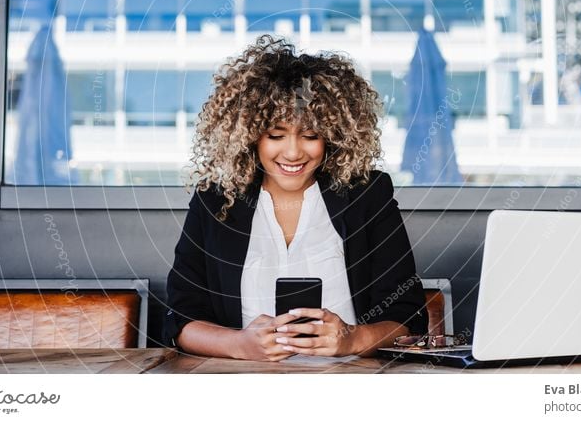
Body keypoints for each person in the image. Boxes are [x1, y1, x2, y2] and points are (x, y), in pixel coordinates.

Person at [165, 35, 427, 361]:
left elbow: (410, 317)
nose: (292, 152)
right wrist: (239, 345)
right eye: (276, 135)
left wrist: (353, 339)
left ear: (332, 136)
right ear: (250, 135)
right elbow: (180, 318)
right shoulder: (215, 201)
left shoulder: (367, 196)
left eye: (310, 135)